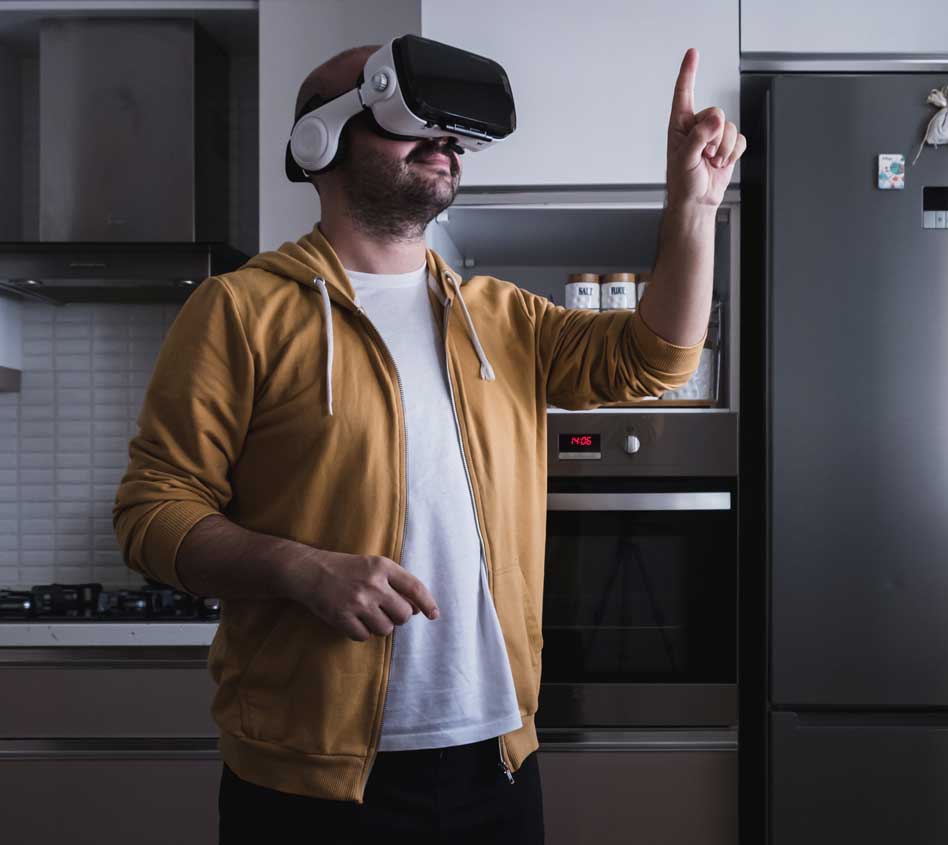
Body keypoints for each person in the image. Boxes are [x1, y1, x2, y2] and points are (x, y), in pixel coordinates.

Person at [113, 39, 745, 844]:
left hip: (497, 761)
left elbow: (654, 358)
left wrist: (692, 207)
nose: (444, 143)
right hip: (312, 781)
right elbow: (151, 513)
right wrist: (302, 570)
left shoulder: (501, 316)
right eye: (412, 121)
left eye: (453, 132)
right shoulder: (240, 312)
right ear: (321, 139)